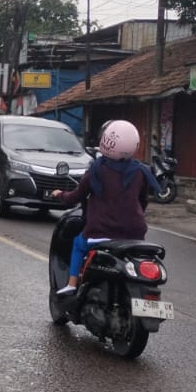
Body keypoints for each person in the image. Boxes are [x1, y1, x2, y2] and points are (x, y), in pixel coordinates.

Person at [52, 119, 161, 294]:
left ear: (106, 141)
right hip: (135, 234)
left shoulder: (97, 169)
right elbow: (143, 201)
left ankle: (72, 283)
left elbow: (76, 197)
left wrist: (59, 195)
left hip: (100, 233)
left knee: (78, 243)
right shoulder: (141, 171)